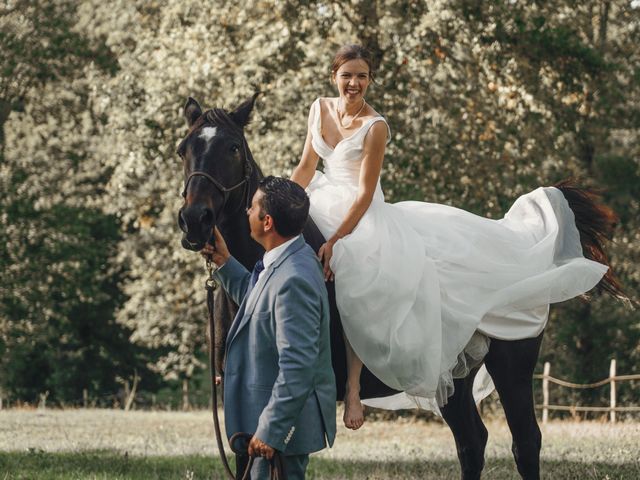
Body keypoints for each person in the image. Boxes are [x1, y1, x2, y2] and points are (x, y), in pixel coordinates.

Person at [290, 44, 609, 430]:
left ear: (370, 80)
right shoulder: (319, 108)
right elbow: (307, 166)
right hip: (321, 199)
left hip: (361, 214)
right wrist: (284, 204)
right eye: (347, 76)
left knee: (354, 273)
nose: (354, 83)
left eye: (362, 76)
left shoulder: (376, 127)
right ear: (334, 77)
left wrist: (336, 239)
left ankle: (354, 388)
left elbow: (364, 193)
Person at [201, 176, 337, 479]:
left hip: (280, 433)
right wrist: (224, 262)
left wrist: (272, 430)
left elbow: (298, 366)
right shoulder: (288, 259)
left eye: (252, 208)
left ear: (267, 222)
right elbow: (259, 302)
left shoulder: (294, 279)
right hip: (265, 419)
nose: (246, 212)